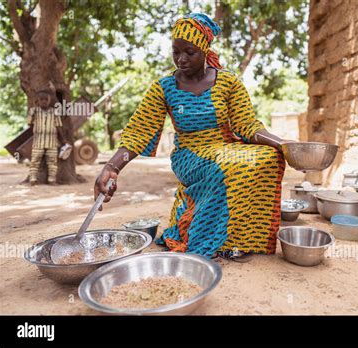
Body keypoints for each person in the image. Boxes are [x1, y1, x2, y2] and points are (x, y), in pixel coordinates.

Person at [94, 13, 295, 260]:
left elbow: (247, 125)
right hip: (189, 154)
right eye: (175, 52)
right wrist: (112, 167)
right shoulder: (164, 88)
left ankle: (239, 240)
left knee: (270, 158)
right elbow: (139, 131)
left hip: (224, 147)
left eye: (190, 52)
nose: (181, 59)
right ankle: (204, 243)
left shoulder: (228, 82)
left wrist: (283, 144)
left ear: (204, 49)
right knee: (220, 168)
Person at [28, 90, 66, 186]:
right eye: (41, 99)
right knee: (35, 160)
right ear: (38, 101)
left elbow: (58, 126)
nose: (44, 101)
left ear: (49, 100)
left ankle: (52, 180)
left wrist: (63, 139)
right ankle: (32, 179)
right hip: (38, 141)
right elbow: (29, 124)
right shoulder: (34, 111)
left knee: (52, 161)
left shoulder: (54, 112)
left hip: (52, 141)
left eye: (46, 99)